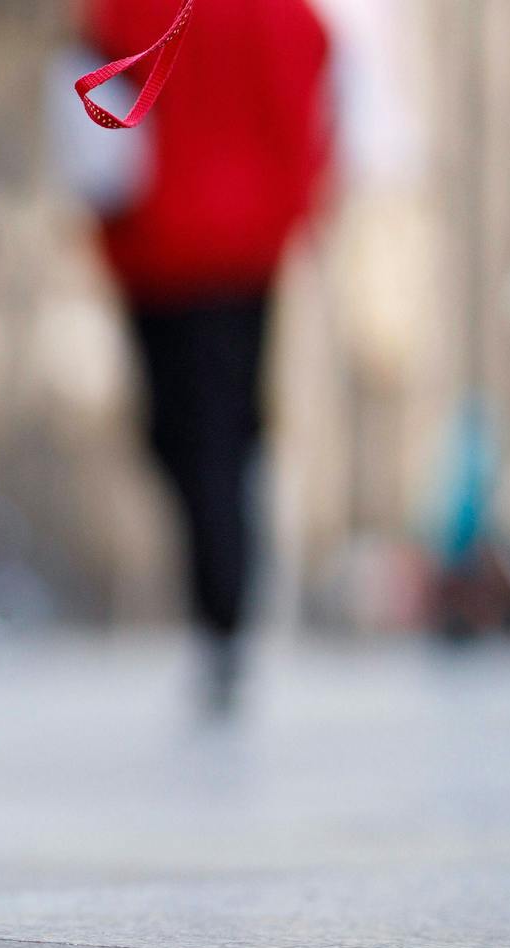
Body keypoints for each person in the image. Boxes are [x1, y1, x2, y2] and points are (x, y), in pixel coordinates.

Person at [82, 0, 333, 712]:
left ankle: (222, 608)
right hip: (241, 245)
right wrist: (300, 196)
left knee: (180, 432)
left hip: (162, 243)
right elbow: (312, 86)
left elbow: (95, 84)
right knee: (224, 425)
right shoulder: (280, 14)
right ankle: (226, 602)